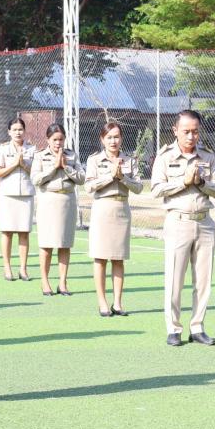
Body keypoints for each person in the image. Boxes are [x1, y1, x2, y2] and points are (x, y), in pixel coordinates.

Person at [151, 110, 215, 347]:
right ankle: (173, 328)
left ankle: (197, 327)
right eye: (186, 132)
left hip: (204, 222)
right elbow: (156, 189)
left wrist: (201, 182)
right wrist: (183, 181)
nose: (191, 136)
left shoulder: (208, 156)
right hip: (178, 221)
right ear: (175, 131)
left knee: (203, 281)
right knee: (175, 279)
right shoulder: (165, 157)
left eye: (195, 131)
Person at [84, 122, 143, 317]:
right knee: (100, 258)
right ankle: (102, 302)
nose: (113, 141)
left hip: (122, 209)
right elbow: (88, 187)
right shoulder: (94, 160)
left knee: (118, 259)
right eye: (109, 137)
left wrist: (123, 178)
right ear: (102, 139)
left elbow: (139, 187)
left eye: (116, 137)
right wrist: (110, 176)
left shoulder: (129, 160)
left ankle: (117, 303)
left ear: (122, 138)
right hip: (102, 208)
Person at [30, 123, 85, 297]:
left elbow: (81, 178)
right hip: (48, 201)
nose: (58, 143)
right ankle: (45, 281)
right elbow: (35, 179)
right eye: (54, 139)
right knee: (46, 244)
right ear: (48, 139)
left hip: (67, 201)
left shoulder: (72, 155)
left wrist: (66, 167)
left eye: (61, 139)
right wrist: (54, 167)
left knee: (64, 244)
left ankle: (62, 282)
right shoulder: (40, 156)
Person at [0, 117, 36, 281]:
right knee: (7, 232)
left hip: (26, 195)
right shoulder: (3, 148)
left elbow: (36, 173)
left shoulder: (32, 149)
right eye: (15, 130)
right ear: (9, 132)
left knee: (24, 233)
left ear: (24, 131)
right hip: (8, 195)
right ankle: (7, 268)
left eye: (20, 129)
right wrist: (13, 164)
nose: (18, 132)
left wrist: (23, 164)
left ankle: (23, 269)